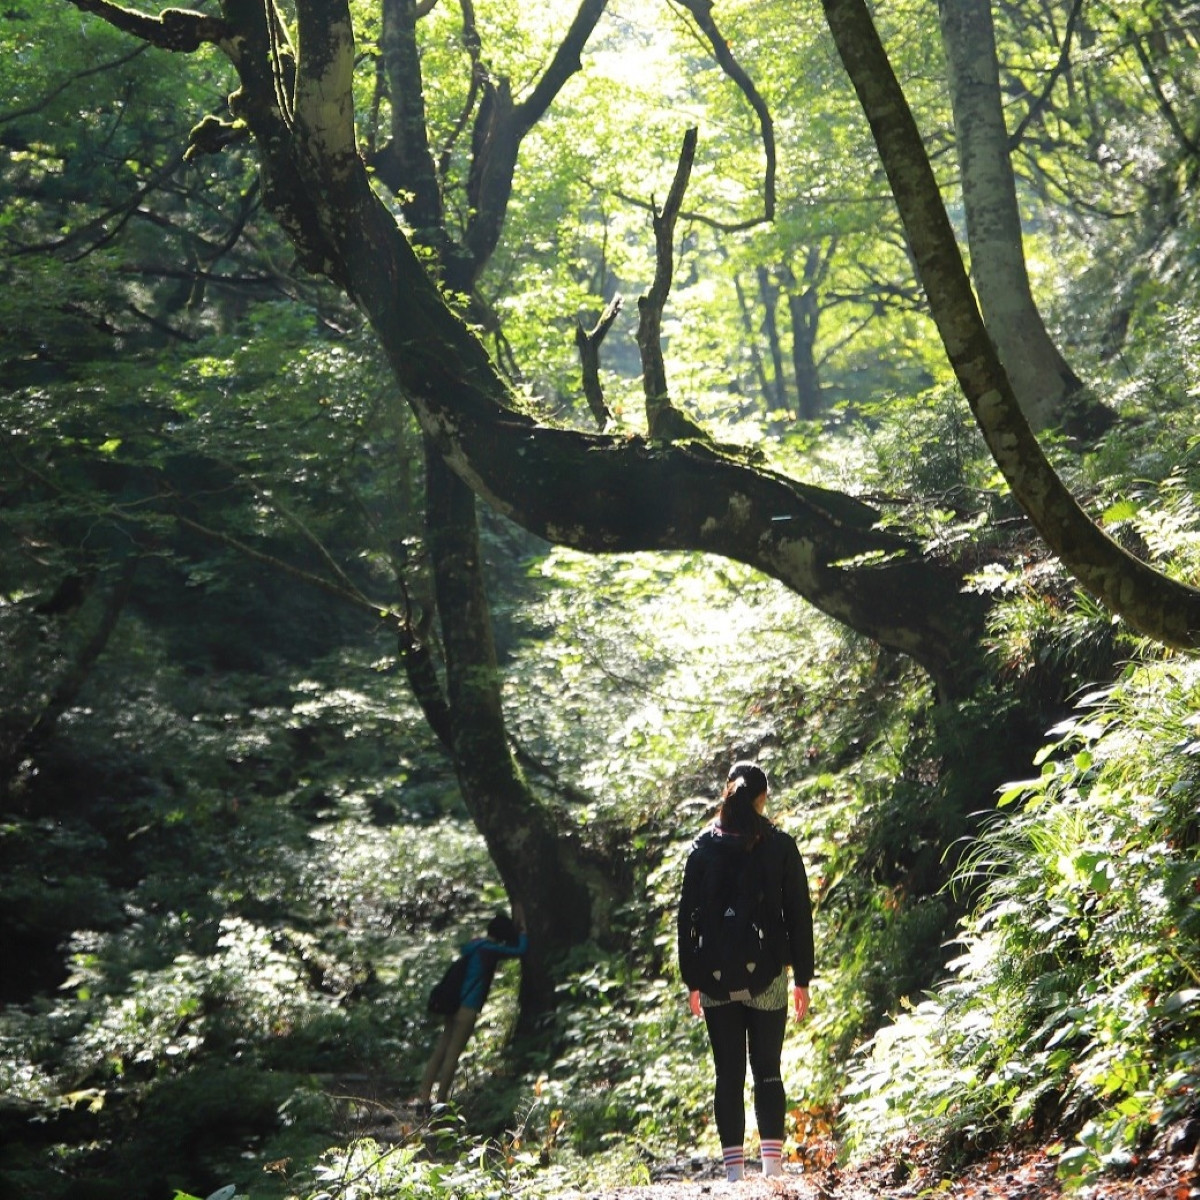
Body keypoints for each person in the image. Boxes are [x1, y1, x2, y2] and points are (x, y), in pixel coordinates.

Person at [677, 761, 814, 1182]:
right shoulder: (779, 845)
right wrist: (802, 977)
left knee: (728, 1074)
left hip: (715, 978)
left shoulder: (702, 848)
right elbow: (799, 915)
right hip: (768, 975)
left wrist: (693, 980)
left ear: (727, 793)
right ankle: (771, 1171)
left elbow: (687, 918)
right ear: (762, 798)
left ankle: (735, 1176)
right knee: (768, 1070)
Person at [415, 906, 528, 1109]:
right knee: (453, 1054)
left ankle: (423, 1097)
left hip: (453, 1003)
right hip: (468, 1006)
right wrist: (523, 933)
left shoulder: (475, 945)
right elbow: (520, 951)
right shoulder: (490, 950)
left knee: (441, 1049)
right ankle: (440, 1102)